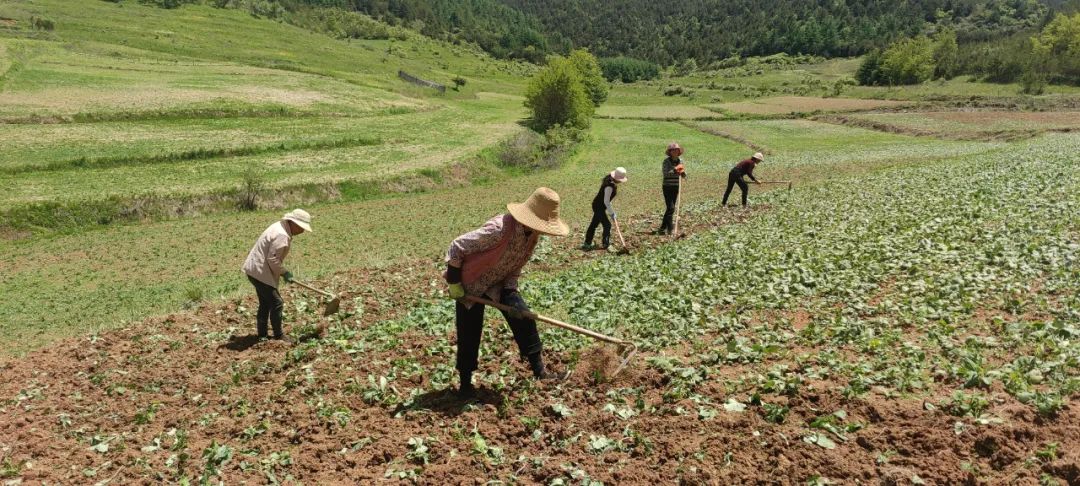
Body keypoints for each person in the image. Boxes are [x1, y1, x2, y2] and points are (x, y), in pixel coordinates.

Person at [444, 188, 570, 397]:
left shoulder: (532, 236)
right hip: (470, 284)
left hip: (499, 283)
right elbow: (457, 246)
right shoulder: (499, 229)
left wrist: (511, 294)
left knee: (525, 318)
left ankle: (540, 372)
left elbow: (515, 266)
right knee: (470, 332)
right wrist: (454, 283)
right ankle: (465, 385)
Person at [242, 209, 312, 342]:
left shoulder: (279, 226)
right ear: (293, 223)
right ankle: (279, 335)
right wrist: (284, 273)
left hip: (256, 269)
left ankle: (262, 335)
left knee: (265, 303)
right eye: (301, 227)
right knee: (276, 302)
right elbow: (272, 259)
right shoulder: (282, 235)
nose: (302, 231)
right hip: (260, 271)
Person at [582, 167, 628, 250]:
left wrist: (612, 212)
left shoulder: (610, 181)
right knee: (607, 225)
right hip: (598, 207)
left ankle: (587, 242)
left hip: (599, 206)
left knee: (594, 224)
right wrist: (612, 213)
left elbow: (607, 201)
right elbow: (606, 201)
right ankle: (605, 244)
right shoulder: (609, 186)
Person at [657, 143, 686, 235]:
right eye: (673, 150)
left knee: (670, 209)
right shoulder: (666, 162)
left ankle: (662, 228)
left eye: (676, 150)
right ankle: (670, 229)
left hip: (676, 186)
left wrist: (683, 173)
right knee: (671, 208)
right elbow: (665, 174)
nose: (675, 151)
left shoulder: (680, 160)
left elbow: (682, 172)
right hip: (667, 187)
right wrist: (675, 170)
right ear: (670, 152)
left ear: (679, 151)